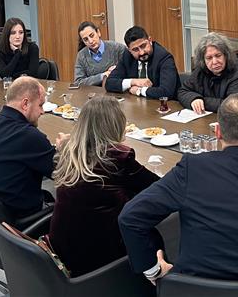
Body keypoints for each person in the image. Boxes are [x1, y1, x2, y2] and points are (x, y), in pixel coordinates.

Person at [119, 94, 238, 292]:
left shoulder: (193, 168)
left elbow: (130, 217)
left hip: (193, 291)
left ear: (218, 132)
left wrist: (153, 270)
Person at [47, 96, 159, 276]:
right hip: (99, 262)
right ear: (116, 125)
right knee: (161, 225)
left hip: (64, 253)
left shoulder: (71, 151)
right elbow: (158, 188)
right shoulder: (117, 158)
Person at [0, 76, 69, 219]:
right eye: (40, 105)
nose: (42, 112)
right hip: (17, 221)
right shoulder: (29, 136)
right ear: (25, 104)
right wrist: (64, 149)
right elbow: (65, 175)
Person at [177, 32, 238, 114]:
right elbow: (183, 91)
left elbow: (233, 106)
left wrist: (202, 101)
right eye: (209, 58)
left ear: (226, 55)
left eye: (218, 55)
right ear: (203, 60)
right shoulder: (201, 71)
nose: (215, 62)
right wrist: (193, 99)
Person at [105, 26, 180, 99]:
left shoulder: (164, 58)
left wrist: (139, 91)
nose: (141, 52)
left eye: (143, 46)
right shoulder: (127, 56)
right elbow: (109, 83)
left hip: (164, 105)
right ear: (129, 50)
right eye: (135, 50)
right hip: (137, 103)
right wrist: (133, 82)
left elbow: (166, 92)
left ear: (150, 40)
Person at [73, 21, 125, 87]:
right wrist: (103, 76)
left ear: (98, 32)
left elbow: (131, 67)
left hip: (115, 89)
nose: (90, 41)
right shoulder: (81, 55)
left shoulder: (117, 48)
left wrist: (118, 69)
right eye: (86, 39)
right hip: (92, 92)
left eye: (92, 35)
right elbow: (78, 82)